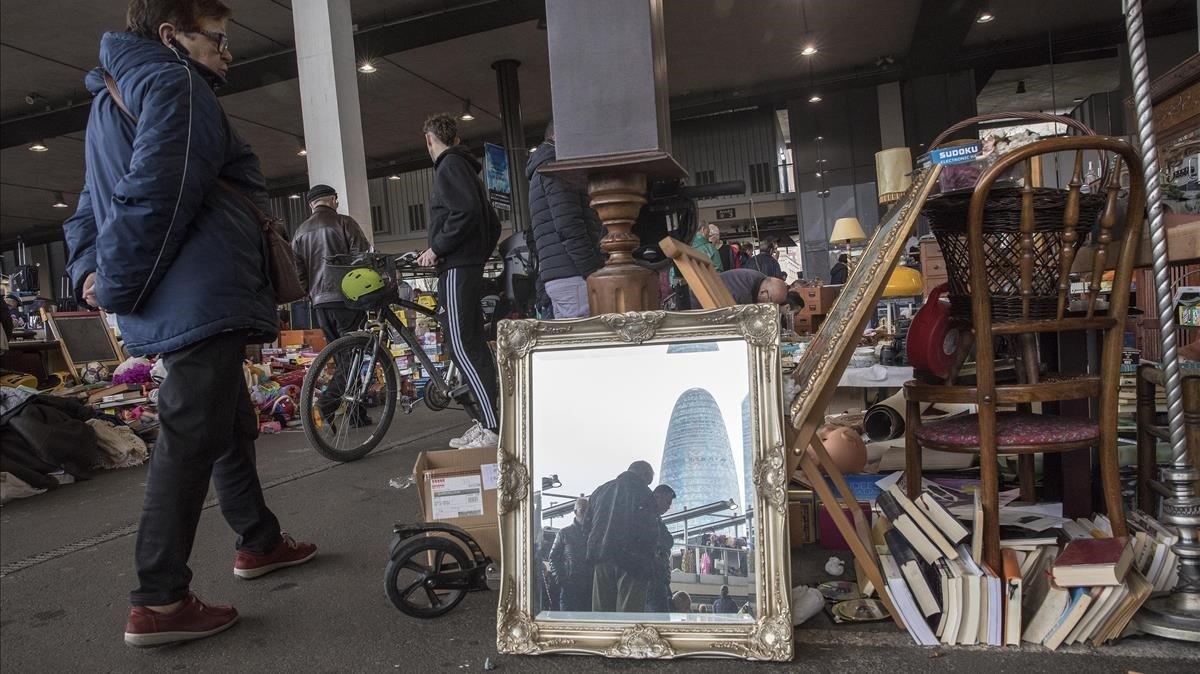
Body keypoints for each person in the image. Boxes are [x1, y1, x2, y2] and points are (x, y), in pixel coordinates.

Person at [62, 0, 316, 647]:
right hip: (198, 288)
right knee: (189, 432)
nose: (228, 51)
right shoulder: (176, 83)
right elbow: (161, 190)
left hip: (179, 290)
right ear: (172, 35)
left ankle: (258, 540)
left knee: (226, 419)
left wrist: (90, 270)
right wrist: (112, 280)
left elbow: (91, 204)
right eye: (218, 39)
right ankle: (160, 599)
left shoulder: (113, 96)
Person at [416, 113, 502, 449]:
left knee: (461, 346)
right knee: (472, 344)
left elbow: (463, 212)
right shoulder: (466, 167)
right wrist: (477, 254)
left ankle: (490, 427)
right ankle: (487, 422)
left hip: (456, 268)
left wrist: (437, 249)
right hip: (468, 265)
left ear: (429, 140)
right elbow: (492, 222)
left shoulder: (448, 166)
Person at [526, 119, 605, 318]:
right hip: (574, 275)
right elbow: (569, 225)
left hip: (560, 275)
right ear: (559, 136)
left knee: (575, 343)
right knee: (588, 343)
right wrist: (593, 271)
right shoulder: (557, 168)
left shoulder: (542, 169)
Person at [291, 184, 371, 344]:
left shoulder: (300, 231)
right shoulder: (345, 223)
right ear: (333, 199)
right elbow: (361, 258)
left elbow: (297, 270)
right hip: (347, 296)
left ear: (311, 205)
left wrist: (308, 293)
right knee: (354, 347)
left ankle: (342, 370)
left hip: (319, 301)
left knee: (335, 349)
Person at [586, 461, 660, 613]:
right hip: (633, 562)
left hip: (601, 559)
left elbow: (586, 526)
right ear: (644, 475)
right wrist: (648, 562)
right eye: (648, 482)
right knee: (628, 617)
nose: (647, 485)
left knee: (601, 617)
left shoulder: (600, 491)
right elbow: (651, 531)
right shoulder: (644, 493)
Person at [547, 497, 593, 612]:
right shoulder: (564, 533)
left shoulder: (594, 533)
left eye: (589, 511)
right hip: (570, 590)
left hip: (590, 589)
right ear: (575, 512)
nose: (586, 514)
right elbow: (553, 558)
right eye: (583, 510)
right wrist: (562, 581)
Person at [644, 484, 677, 613]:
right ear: (657, 497)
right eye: (667, 502)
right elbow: (668, 540)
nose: (668, 507)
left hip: (655, 575)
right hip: (654, 576)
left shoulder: (654, 517)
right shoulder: (650, 517)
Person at [690, 268, 790, 308]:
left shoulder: (759, 279)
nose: (769, 307)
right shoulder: (745, 295)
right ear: (763, 292)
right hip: (696, 307)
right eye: (771, 303)